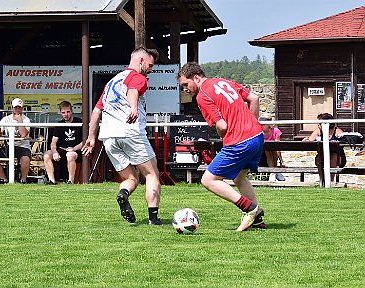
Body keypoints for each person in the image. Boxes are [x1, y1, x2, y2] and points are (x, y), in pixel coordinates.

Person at [177, 62, 265, 231]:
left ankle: (251, 209)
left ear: (196, 78)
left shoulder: (202, 95)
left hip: (239, 141)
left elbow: (222, 126)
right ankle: (258, 222)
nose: (185, 90)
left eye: (185, 85)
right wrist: (252, 124)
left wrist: (223, 133)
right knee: (240, 177)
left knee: (208, 180)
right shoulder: (224, 81)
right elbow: (254, 98)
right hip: (257, 136)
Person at [81, 46, 162, 225]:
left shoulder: (112, 82)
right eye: (150, 65)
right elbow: (132, 91)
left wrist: (91, 138)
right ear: (140, 61)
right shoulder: (137, 77)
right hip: (130, 132)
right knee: (151, 174)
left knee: (130, 178)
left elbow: (96, 111)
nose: (150, 70)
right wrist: (133, 108)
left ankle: (123, 194)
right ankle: (153, 219)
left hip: (109, 136)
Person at [43, 101, 83, 184]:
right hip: (62, 149)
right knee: (47, 155)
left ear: (72, 111)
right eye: (63, 112)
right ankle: (52, 180)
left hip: (76, 150)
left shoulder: (79, 122)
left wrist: (74, 148)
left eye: (68, 112)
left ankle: (70, 181)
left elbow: (85, 141)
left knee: (70, 155)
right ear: (60, 113)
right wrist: (54, 152)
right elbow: (53, 143)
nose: (66, 114)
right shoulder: (59, 124)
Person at [0, 98, 31, 183]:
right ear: (12, 108)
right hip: (9, 146)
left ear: (22, 108)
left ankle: (23, 180)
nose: (18, 109)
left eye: (19, 107)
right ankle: (4, 179)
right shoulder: (6, 119)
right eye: (16, 107)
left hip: (23, 146)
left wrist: (19, 120)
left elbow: (23, 134)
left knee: (25, 159)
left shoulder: (26, 119)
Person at [303, 112, 346, 183]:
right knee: (319, 157)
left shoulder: (337, 131)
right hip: (322, 156)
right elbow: (310, 140)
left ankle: (331, 180)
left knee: (333, 155)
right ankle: (321, 179)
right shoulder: (318, 130)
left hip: (339, 158)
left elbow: (343, 142)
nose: (318, 125)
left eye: (320, 123)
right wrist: (306, 140)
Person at [259, 114, 285, 182]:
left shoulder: (275, 131)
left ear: (269, 124)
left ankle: (273, 172)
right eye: (261, 124)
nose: (261, 126)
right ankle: (274, 172)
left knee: (272, 148)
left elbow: (277, 147)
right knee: (268, 149)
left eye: (264, 124)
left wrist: (281, 161)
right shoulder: (259, 132)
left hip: (272, 154)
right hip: (260, 156)